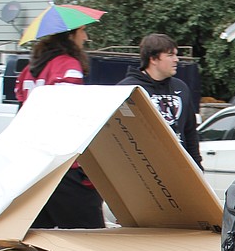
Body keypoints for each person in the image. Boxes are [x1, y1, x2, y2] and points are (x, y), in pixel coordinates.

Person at [15, 25, 105, 229]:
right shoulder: (68, 65)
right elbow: (69, 113)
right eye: (82, 31)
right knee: (90, 238)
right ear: (70, 35)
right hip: (61, 163)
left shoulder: (29, 70)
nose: (85, 36)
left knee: (33, 240)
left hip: (32, 163)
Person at [119, 34, 202, 168]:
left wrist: (198, 166)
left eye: (176, 55)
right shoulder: (128, 89)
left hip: (179, 168)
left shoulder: (180, 87)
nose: (176, 60)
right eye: (170, 55)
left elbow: (190, 132)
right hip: (144, 169)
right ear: (153, 59)